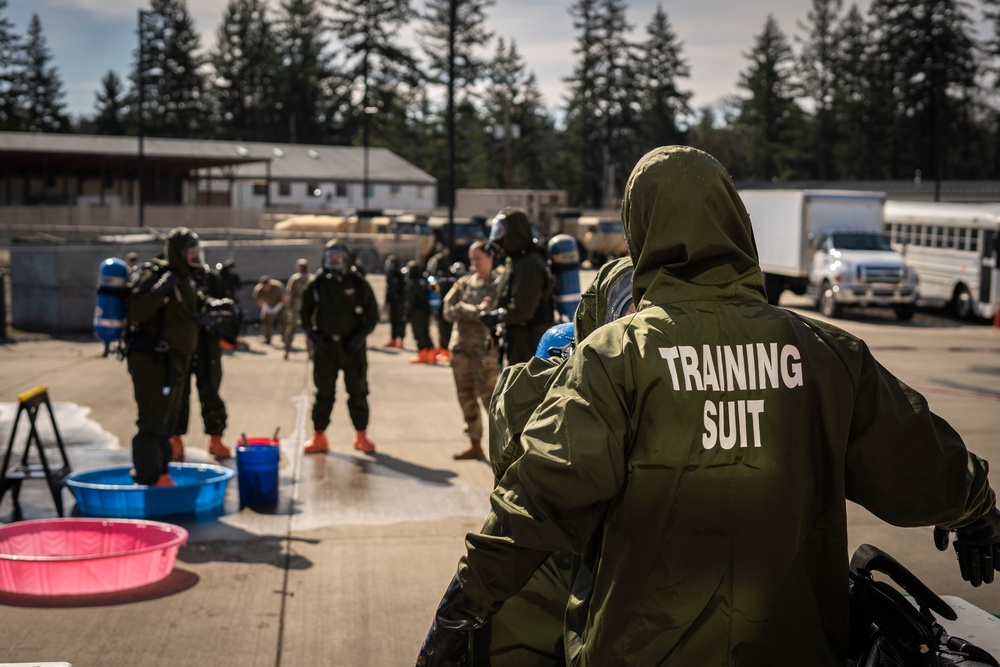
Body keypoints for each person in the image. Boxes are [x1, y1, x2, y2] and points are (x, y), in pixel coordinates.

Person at [415, 146, 1000, 666]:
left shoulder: (616, 357)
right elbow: (916, 455)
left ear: (640, 231)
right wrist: (974, 510)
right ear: (735, 224)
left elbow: (536, 501)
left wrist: (462, 608)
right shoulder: (827, 354)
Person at [124, 228, 218, 487]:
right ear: (178, 253)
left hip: (174, 360)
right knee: (152, 421)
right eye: (190, 253)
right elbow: (137, 311)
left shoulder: (184, 278)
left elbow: (193, 306)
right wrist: (161, 288)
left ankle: (161, 473)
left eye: (196, 253)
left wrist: (217, 307)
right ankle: (147, 478)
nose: (194, 258)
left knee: (167, 422)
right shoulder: (156, 275)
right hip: (153, 361)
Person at [301, 240, 380, 454]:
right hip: (326, 348)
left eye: (338, 258)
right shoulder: (316, 283)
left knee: (358, 391)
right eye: (330, 258)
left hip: (352, 348)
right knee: (323, 393)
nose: (334, 262)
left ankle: (361, 435)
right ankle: (319, 435)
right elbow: (304, 313)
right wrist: (314, 336)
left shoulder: (358, 283)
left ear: (346, 259)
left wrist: (359, 337)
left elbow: (373, 315)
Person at [441, 241, 500, 460]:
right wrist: (474, 310)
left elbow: (490, 312)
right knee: (465, 397)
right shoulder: (464, 283)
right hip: (461, 349)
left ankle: (502, 449)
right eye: (472, 258)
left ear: (490, 258)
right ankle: (475, 444)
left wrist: (464, 310)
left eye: (479, 258)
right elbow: (447, 311)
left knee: (490, 399)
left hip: (484, 353)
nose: (474, 263)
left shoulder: (497, 283)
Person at [170, 263, 235, 461]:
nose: (193, 258)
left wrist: (219, 320)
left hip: (208, 341)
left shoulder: (210, 277)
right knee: (179, 391)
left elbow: (226, 302)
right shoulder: (173, 278)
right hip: (182, 340)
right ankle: (175, 439)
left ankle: (216, 438)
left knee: (211, 388)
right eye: (188, 254)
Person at [479, 207, 554, 365]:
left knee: (524, 388)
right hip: (518, 338)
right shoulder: (515, 259)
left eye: (501, 231)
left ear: (514, 232)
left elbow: (523, 311)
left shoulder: (529, 264)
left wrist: (497, 316)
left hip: (529, 341)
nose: (497, 238)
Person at [426, 244, 458, 363]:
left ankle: (447, 350)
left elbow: (438, 289)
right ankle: (443, 348)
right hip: (440, 308)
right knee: (441, 328)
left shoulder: (448, 276)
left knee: (446, 329)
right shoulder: (440, 276)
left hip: (447, 308)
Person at [403, 259, 436, 364]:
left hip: (417, 313)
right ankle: (431, 355)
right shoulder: (423, 281)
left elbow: (410, 301)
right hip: (425, 311)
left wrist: (406, 313)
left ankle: (423, 355)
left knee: (419, 333)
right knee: (425, 333)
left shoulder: (413, 284)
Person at [285, 258, 312, 360]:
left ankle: (287, 350)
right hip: (308, 308)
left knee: (291, 329)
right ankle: (311, 351)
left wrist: (289, 308)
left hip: (296, 307)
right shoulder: (311, 278)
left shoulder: (295, 279)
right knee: (309, 329)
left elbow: (290, 295)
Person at [252, 274, 286, 345]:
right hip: (268, 306)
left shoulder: (277, 287)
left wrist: (277, 308)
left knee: (283, 320)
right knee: (266, 320)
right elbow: (258, 302)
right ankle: (267, 338)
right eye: (264, 286)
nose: (266, 288)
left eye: (267, 286)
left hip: (279, 305)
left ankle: (284, 337)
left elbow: (284, 299)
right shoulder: (259, 290)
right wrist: (265, 307)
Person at [382, 255, 406, 349]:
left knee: (400, 322)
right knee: (393, 321)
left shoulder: (400, 276)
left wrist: (401, 303)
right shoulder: (389, 275)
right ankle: (393, 339)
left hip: (399, 303)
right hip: (392, 302)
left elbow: (403, 291)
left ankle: (401, 340)